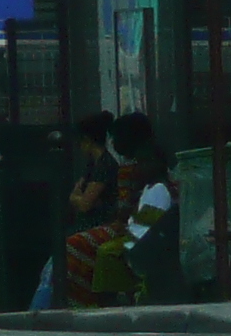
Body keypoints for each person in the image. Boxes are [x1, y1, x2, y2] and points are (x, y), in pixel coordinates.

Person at [59, 114, 177, 307]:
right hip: (129, 229)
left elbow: (139, 226)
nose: (113, 143)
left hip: (132, 233)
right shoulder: (134, 174)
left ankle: (96, 299)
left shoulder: (154, 186)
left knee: (90, 248)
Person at [29, 113, 119, 311]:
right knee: (51, 270)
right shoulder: (91, 166)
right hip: (85, 224)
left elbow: (84, 201)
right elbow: (77, 195)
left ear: (86, 140)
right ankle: (41, 307)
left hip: (95, 225)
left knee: (56, 267)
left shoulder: (105, 165)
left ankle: (42, 309)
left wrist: (77, 198)